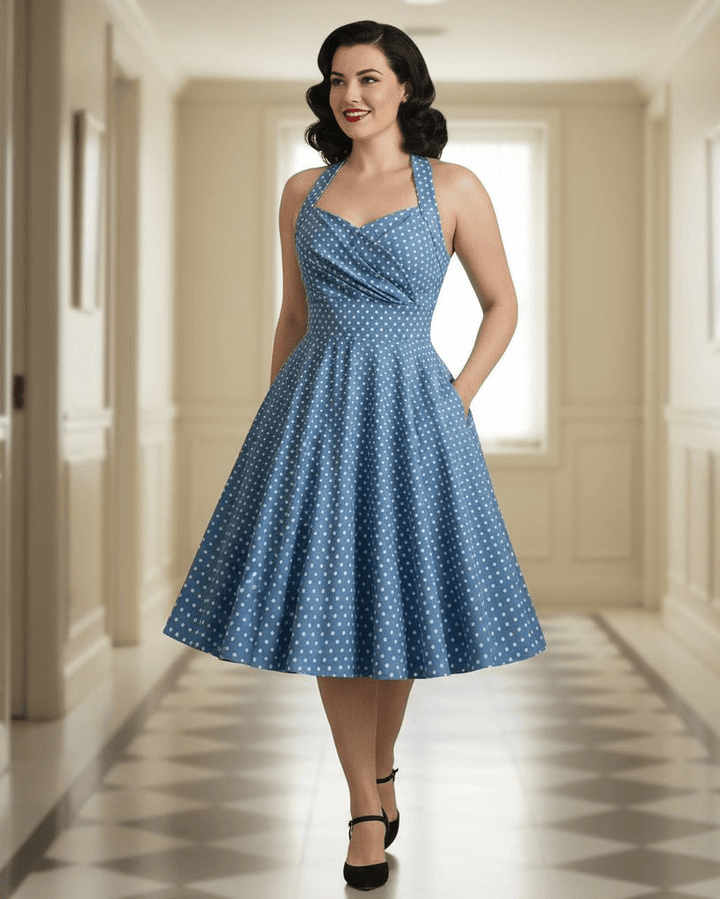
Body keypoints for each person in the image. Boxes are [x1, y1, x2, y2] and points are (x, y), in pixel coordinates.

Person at [163, 19, 548, 892]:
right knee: (336, 602)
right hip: (315, 411)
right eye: (338, 80)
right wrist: (275, 423)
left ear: (405, 86)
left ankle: (379, 768)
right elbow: (294, 315)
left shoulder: (453, 186)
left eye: (370, 79)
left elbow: (502, 306)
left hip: (418, 411)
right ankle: (363, 806)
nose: (352, 96)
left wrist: (456, 398)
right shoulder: (302, 189)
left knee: (398, 598)